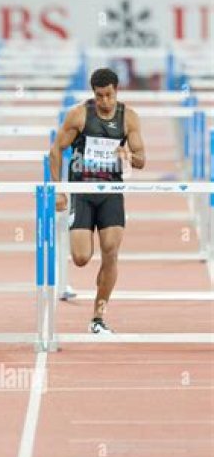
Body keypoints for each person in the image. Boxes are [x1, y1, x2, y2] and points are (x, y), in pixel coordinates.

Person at [50, 68, 146, 334]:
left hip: (111, 193)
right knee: (81, 257)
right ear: (93, 93)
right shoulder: (79, 114)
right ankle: (102, 277)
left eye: (109, 95)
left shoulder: (129, 117)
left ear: (117, 91)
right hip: (82, 191)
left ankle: (98, 317)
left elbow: (141, 161)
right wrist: (58, 190)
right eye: (99, 96)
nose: (104, 101)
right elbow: (56, 150)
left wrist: (128, 155)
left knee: (111, 252)